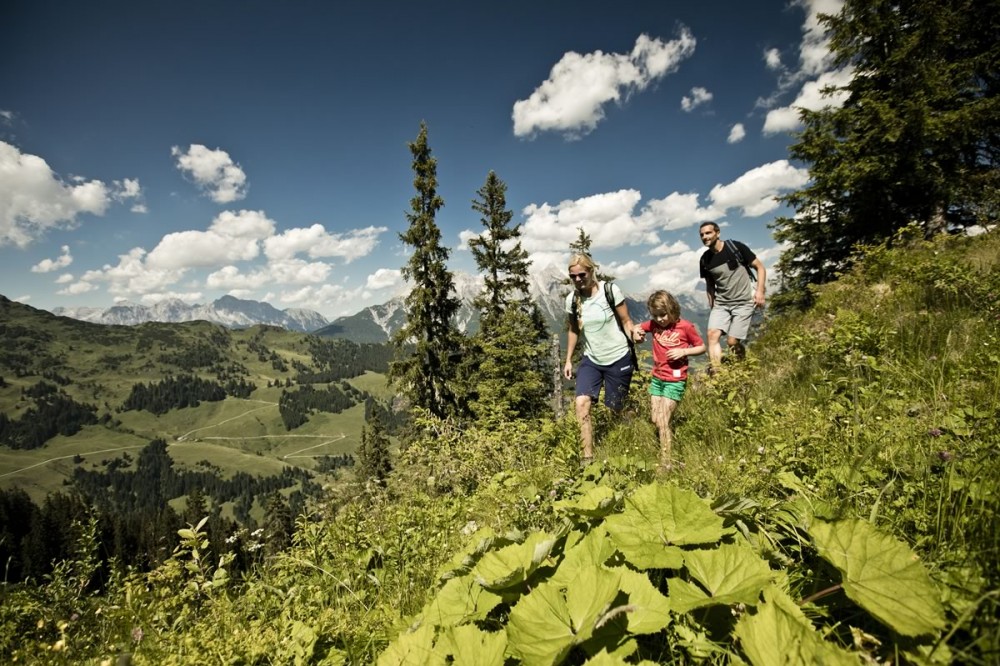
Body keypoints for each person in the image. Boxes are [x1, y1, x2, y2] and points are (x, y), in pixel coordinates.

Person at [563, 254, 638, 465]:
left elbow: (626, 320)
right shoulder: (573, 299)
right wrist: (568, 359)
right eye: (572, 276)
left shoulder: (609, 291)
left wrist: (634, 334)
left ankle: (629, 417)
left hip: (618, 356)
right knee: (581, 403)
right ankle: (587, 459)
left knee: (615, 407)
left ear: (591, 271)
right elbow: (573, 330)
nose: (577, 279)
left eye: (581, 274)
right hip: (591, 359)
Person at [632, 290, 705, 472]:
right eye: (655, 315)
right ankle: (666, 445)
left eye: (663, 314)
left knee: (663, 420)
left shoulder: (685, 327)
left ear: (672, 309)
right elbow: (635, 327)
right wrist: (637, 335)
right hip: (657, 379)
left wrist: (684, 351)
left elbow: (702, 347)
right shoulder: (653, 325)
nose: (660, 319)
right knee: (655, 419)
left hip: (675, 379)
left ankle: (666, 462)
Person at [698, 221, 766, 371]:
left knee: (732, 342)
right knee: (712, 335)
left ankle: (742, 366)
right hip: (721, 304)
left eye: (708, 233)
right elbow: (710, 285)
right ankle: (718, 375)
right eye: (702, 235)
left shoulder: (735, 247)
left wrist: (760, 291)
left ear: (717, 233)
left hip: (743, 302)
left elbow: (760, 267)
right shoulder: (704, 260)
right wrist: (713, 305)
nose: (705, 237)